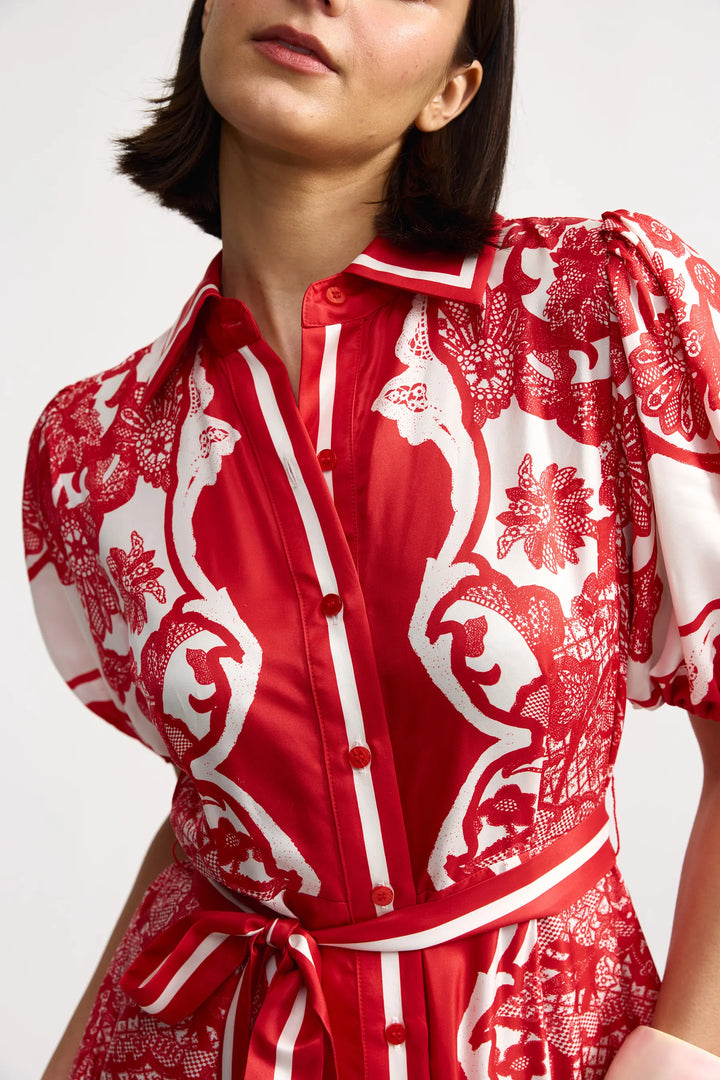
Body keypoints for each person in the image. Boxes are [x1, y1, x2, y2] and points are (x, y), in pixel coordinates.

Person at [22, 0, 720, 1077]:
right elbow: (220, 822)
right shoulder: (95, 449)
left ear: (452, 89)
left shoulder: (594, 316)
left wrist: (682, 1056)